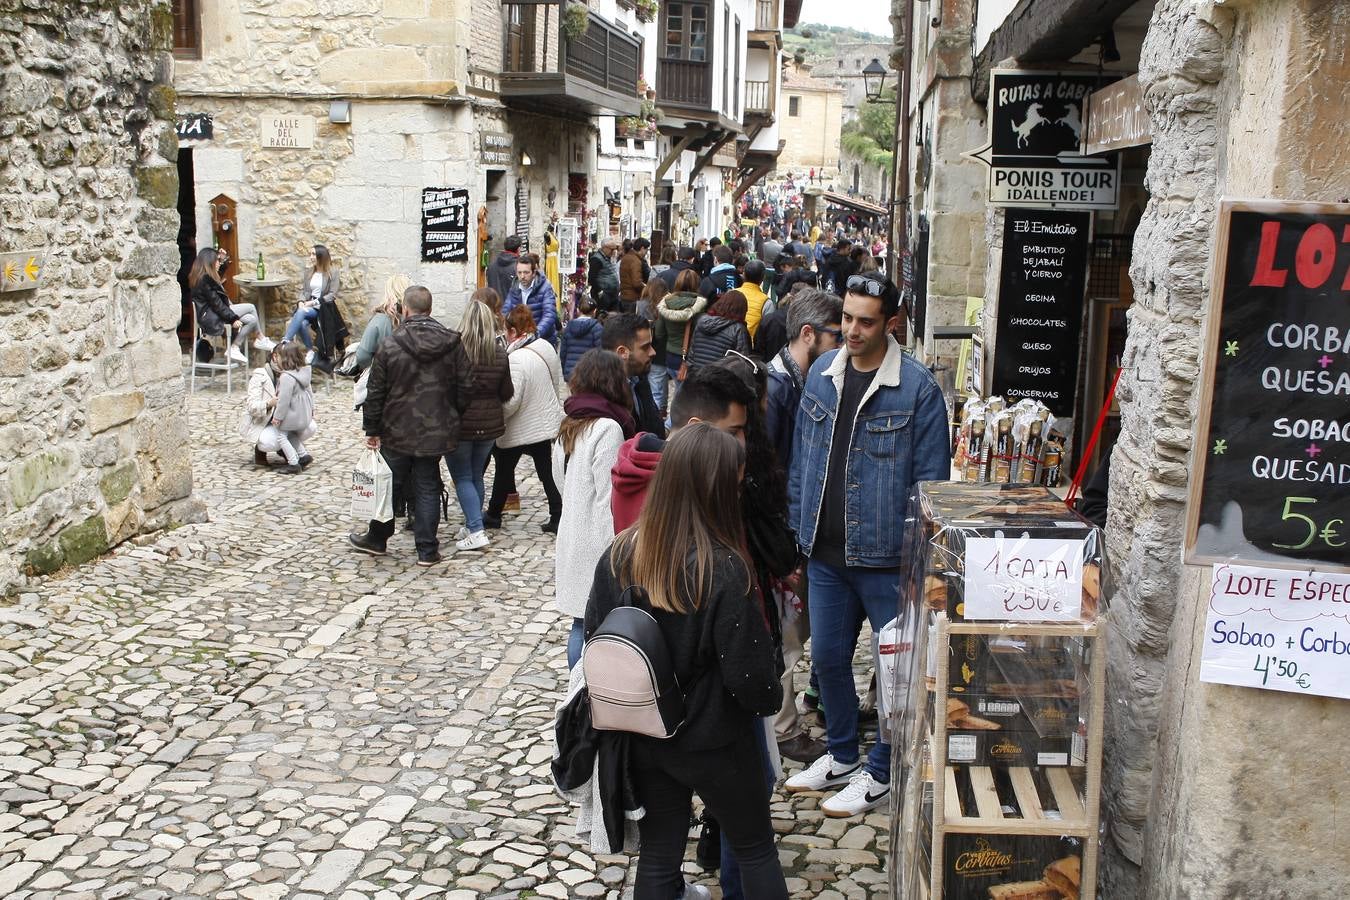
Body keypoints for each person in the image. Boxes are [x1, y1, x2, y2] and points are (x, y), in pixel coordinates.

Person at [585, 424, 788, 900]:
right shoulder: (723, 568)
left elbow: (598, 637)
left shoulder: (619, 554)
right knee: (755, 848)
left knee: (660, 853)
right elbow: (753, 682)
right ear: (717, 489)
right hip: (716, 741)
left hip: (647, 734)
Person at [784, 272, 951, 817]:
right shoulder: (821, 378)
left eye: (865, 321)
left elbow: (931, 487)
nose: (852, 331)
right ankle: (841, 754)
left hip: (886, 561)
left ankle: (880, 769)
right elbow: (801, 463)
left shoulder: (918, 390)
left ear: (892, 323)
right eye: (847, 320)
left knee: (895, 672)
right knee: (828, 659)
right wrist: (796, 536)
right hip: (825, 555)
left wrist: (920, 565)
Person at [764, 289, 842, 764]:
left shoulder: (800, 382)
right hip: (782, 538)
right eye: (836, 334)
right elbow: (772, 473)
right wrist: (782, 549)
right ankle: (783, 728)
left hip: (793, 536)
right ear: (808, 334)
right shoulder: (777, 389)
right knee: (786, 634)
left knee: (794, 630)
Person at [349, 285, 473, 566]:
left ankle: (378, 538)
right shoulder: (452, 342)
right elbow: (467, 386)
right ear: (430, 310)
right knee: (427, 483)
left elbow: (375, 391)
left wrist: (372, 429)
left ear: (405, 309)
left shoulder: (391, 344)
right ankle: (427, 550)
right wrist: (452, 413)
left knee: (390, 484)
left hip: (397, 428)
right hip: (435, 427)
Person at [553, 350, 635, 669]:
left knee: (580, 623)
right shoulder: (608, 428)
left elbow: (560, 480)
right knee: (595, 628)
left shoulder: (571, 424)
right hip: (596, 543)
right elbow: (609, 497)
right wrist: (614, 555)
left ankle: (580, 690)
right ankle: (588, 693)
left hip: (573, 533)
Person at [484, 306, 565, 532]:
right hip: (541, 421)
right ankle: (558, 514)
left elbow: (512, 400)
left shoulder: (517, 359)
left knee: (503, 469)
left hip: (523, 425)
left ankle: (493, 514)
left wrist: (496, 415)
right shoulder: (544, 346)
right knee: (546, 471)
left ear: (512, 330)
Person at [448, 296, 514, 552]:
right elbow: (507, 392)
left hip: (461, 423)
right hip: (489, 423)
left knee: (463, 476)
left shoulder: (456, 352)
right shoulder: (499, 353)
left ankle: (475, 529)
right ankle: (473, 522)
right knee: (475, 474)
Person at [241, 341, 315, 469]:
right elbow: (252, 406)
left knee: (310, 427)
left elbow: (309, 394)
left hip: (288, 418)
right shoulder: (261, 375)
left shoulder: (295, 373)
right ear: (275, 357)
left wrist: (310, 410)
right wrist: (269, 403)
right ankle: (263, 450)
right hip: (267, 422)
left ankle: (294, 455)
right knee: (272, 440)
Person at [189, 248, 264, 364]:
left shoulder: (204, 277)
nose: (219, 263)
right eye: (217, 260)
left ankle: (234, 347)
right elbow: (217, 305)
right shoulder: (204, 280)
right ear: (209, 262)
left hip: (214, 314)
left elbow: (217, 274)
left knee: (252, 319)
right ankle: (260, 338)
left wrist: (225, 258)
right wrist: (233, 318)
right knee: (251, 307)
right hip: (213, 317)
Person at [600, 313, 664, 438]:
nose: (653, 352)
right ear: (622, 352)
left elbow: (654, 427)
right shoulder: (602, 394)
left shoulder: (639, 379)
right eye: (645, 347)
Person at [265, 341, 317, 474]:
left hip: (292, 415)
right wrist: (312, 409)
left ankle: (293, 463)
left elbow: (283, 401)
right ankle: (304, 455)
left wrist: (277, 418)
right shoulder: (304, 372)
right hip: (303, 413)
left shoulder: (286, 377)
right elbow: (310, 393)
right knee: (291, 435)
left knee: (282, 436)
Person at [284, 245, 340, 362]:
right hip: (308, 308)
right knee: (302, 323)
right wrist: (300, 301)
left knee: (301, 313)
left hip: (323, 309)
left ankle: (285, 341)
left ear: (321, 256)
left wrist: (313, 303)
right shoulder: (309, 272)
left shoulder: (333, 273)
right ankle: (310, 350)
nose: (311, 257)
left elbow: (332, 295)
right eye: (310, 254)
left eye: (313, 254)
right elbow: (304, 292)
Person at [685, 291, 751, 378]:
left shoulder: (701, 321)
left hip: (696, 379)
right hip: (718, 383)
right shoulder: (738, 329)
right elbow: (741, 364)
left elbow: (691, 355)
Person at [354, 274, 409, 371]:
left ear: (388, 293)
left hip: (386, 378)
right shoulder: (418, 318)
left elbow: (362, 357)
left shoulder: (380, 320)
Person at [503, 253, 560, 345]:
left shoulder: (545, 287)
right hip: (519, 339)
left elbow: (549, 314)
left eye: (526, 272)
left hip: (543, 340)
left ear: (534, 273)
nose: (522, 276)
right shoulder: (514, 287)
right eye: (519, 272)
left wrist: (535, 334)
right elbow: (506, 309)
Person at [636, 277, 671, 412]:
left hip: (645, 348)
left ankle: (657, 411)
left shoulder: (640, 305)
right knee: (659, 383)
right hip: (662, 350)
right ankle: (659, 412)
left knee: (654, 385)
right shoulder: (666, 306)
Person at [559, 295, 604, 379]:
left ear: (577, 310)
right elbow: (600, 353)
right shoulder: (597, 328)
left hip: (571, 373)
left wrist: (565, 371)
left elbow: (563, 353)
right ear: (594, 311)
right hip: (590, 374)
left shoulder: (569, 327)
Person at [740, 260, 772, 341]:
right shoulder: (766, 302)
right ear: (763, 278)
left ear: (743, 274)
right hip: (751, 347)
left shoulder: (731, 293)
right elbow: (768, 329)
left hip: (729, 343)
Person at [588, 237, 621, 313]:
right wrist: (600, 292)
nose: (613, 251)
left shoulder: (609, 258)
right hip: (604, 295)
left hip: (612, 295)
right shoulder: (596, 259)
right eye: (611, 249)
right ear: (604, 248)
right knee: (603, 315)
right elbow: (592, 278)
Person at [487, 235, 522, 303]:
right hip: (512, 310)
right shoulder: (519, 267)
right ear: (518, 249)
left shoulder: (491, 265)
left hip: (495, 308)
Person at [619, 240, 646, 313]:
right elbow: (636, 283)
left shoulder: (625, 257)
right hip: (632, 297)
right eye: (646, 249)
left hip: (624, 296)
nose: (646, 252)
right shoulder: (635, 261)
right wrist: (646, 288)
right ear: (642, 248)